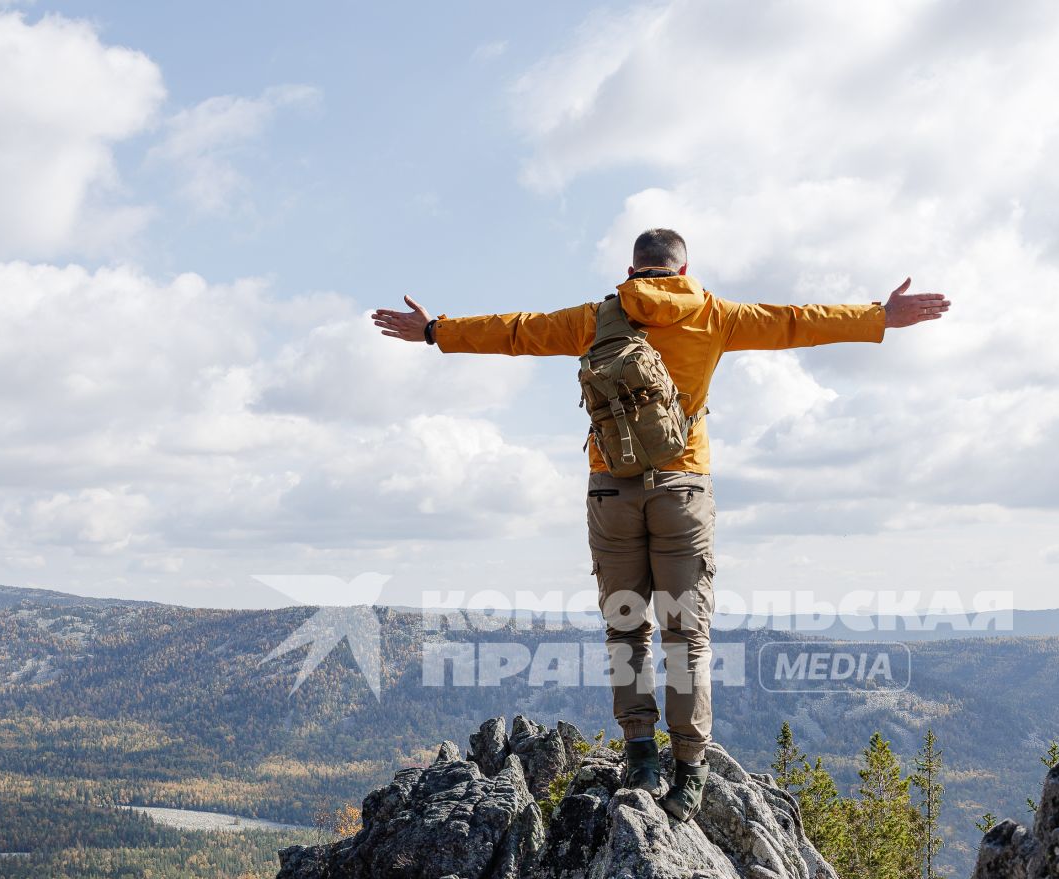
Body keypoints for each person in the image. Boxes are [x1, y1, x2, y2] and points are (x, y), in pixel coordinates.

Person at [373, 228, 949, 820]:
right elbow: (798, 321)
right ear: (683, 268)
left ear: (633, 268)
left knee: (626, 629)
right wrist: (880, 316)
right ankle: (690, 769)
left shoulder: (596, 318)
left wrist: (435, 331)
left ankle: (641, 754)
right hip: (682, 490)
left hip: (611, 493)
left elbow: (517, 331)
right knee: (685, 638)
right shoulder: (716, 314)